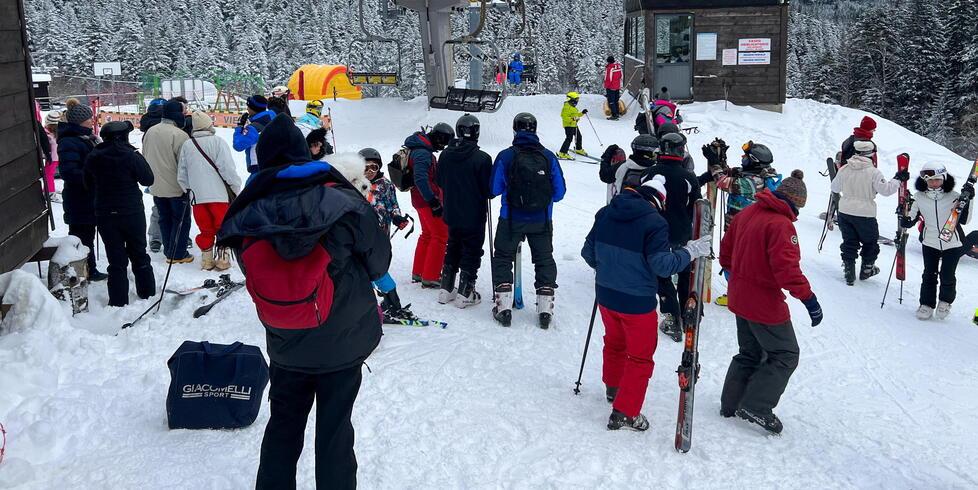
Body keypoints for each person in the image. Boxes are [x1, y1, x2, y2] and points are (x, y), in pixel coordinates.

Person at [216, 112, 390, 490]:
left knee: (283, 426)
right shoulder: (342, 198)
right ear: (304, 153)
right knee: (335, 430)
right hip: (343, 339)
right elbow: (379, 262)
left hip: (286, 339)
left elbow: (254, 269)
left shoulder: (246, 209)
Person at [582, 179, 711, 431]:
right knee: (640, 357)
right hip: (636, 302)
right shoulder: (654, 222)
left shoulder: (606, 212)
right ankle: (625, 412)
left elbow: (588, 253)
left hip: (606, 296)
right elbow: (662, 266)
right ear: (658, 201)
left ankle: (613, 388)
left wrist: (611, 269)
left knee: (615, 342)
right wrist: (689, 252)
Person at [718, 171, 822, 435]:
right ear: (795, 201)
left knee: (750, 352)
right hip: (762, 301)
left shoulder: (747, 213)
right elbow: (787, 271)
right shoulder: (780, 225)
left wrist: (736, 276)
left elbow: (725, 252)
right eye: (799, 205)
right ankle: (756, 405)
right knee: (786, 354)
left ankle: (730, 404)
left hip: (740, 296)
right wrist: (809, 299)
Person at [490, 113, 567, 328]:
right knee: (544, 259)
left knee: (503, 257)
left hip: (511, 219)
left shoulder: (506, 156)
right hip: (541, 220)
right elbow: (560, 192)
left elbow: (494, 188)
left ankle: (503, 307)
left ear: (515, 130)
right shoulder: (549, 157)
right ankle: (545, 309)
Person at [83, 121, 155, 306]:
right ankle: (147, 294)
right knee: (139, 253)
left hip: (105, 213)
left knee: (115, 259)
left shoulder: (94, 156)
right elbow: (148, 179)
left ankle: (118, 300)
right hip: (132, 211)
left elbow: (87, 183)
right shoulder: (131, 155)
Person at [641, 133, 702, 341]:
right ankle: (688, 313)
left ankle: (672, 316)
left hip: (655, 231)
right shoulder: (688, 177)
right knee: (684, 272)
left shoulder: (649, 173)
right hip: (681, 231)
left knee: (662, 274)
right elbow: (696, 206)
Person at [903, 163, 975, 320]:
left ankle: (945, 301)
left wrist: (969, 199)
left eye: (937, 180)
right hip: (930, 242)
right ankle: (926, 304)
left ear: (944, 178)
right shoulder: (920, 197)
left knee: (947, 275)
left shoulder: (954, 196)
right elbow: (911, 218)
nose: (933, 184)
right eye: (930, 181)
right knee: (929, 274)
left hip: (952, 242)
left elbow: (964, 220)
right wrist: (904, 217)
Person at [435, 114, 493, 308]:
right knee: (472, 250)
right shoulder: (482, 158)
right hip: (473, 213)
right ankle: (465, 291)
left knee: (453, 245)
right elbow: (488, 190)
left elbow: (440, 181)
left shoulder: (445, 154)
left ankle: (446, 287)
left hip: (452, 210)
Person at [713, 141, 781, 306]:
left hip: (741, 229)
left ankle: (737, 295)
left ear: (754, 160)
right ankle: (742, 293)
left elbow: (722, 182)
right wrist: (722, 160)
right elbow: (732, 173)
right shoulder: (760, 176)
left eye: (745, 157)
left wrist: (714, 164)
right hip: (747, 228)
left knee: (733, 260)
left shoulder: (752, 182)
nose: (742, 159)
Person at [830, 140, 907, 285]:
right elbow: (886, 190)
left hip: (845, 211)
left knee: (849, 241)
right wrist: (898, 179)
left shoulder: (845, 169)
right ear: (872, 154)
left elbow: (834, 187)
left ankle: (849, 271)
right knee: (870, 242)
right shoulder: (873, 172)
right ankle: (867, 268)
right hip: (865, 213)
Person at [178, 111, 242, 271]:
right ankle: (223, 260)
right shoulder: (218, 142)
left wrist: (189, 190)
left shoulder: (187, 145)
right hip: (219, 195)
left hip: (198, 197)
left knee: (205, 228)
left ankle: (207, 261)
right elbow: (228, 169)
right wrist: (235, 188)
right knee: (223, 227)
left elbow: (182, 174)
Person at [58, 100, 106, 281]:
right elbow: (69, 172)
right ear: (80, 121)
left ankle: (89, 269)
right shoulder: (69, 142)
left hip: (88, 197)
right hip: (79, 199)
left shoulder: (86, 138)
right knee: (81, 238)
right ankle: (83, 272)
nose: (92, 120)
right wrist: (94, 176)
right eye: (89, 118)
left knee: (87, 236)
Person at [405, 123, 455, 287]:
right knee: (441, 235)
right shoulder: (422, 153)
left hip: (420, 200)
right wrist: (433, 201)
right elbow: (420, 178)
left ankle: (419, 272)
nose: (443, 147)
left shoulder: (420, 148)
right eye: (444, 142)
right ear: (439, 138)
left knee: (427, 234)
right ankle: (431, 276)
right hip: (426, 200)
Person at [143, 99, 193, 264]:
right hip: (176, 186)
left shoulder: (151, 131)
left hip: (156, 184)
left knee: (164, 217)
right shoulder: (179, 135)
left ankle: (169, 249)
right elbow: (184, 164)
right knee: (180, 220)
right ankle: (178, 253)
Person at [359, 148, 408, 236]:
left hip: (381, 232)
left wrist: (396, 217)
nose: (370, 172)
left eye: (374, 167)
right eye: (366, 168)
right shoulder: (355, 184)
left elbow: (393, 205)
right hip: (360, 231)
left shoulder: (385, 185)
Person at [233, 95, 275, 174]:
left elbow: (238, 145)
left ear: (253, 108)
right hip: (274, 164)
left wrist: (239, 127)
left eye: (248, 107)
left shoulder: (256, 127)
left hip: (259, 167)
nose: (247, 109)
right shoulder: (273, 118)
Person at [557, 92, 588, 160]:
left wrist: (582, 113)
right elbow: (564, 117)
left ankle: (578, 148)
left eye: (578, 99)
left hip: (574, 125)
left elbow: (576, 115)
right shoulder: (567, 107)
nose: (577, 101)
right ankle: (562, 153)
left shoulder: (572, 107)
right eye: (576, 99)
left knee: (579, 136)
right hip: (568, 126)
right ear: (572, 99)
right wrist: (573, 119)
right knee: (569, 138)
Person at [42, 110, 61, 202]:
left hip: (52, 158)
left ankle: (50, 192)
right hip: (57, 156)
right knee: (49, 174)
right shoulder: (57, 132)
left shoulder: (48, 133)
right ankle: (48, 189)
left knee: (48, 175)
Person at [604, 56, 623, 121]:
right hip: (617, 86)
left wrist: (606, 86)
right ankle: (617, 113)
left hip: (611, 87)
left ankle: (614, 115)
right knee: (616, 100)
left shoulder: (610, 68)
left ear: (608, 61)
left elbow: (608, 79)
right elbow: (620, 76)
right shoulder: (618, 67)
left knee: (611, 101)